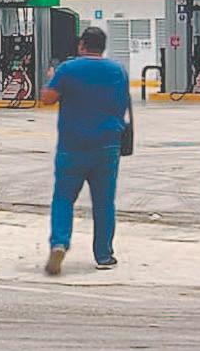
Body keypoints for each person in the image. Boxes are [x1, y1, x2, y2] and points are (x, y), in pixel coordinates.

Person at [39, 26, 131, 275]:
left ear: (81, 45)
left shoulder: (68, 69)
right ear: (103, 47)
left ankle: (59, 243)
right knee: (104, 203)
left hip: (72, 145)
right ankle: (104, 255)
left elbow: (48, 98)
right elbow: (123, 104)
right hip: (108, 146)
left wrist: (51, 77)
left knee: (63, 198)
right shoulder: (118, 70)